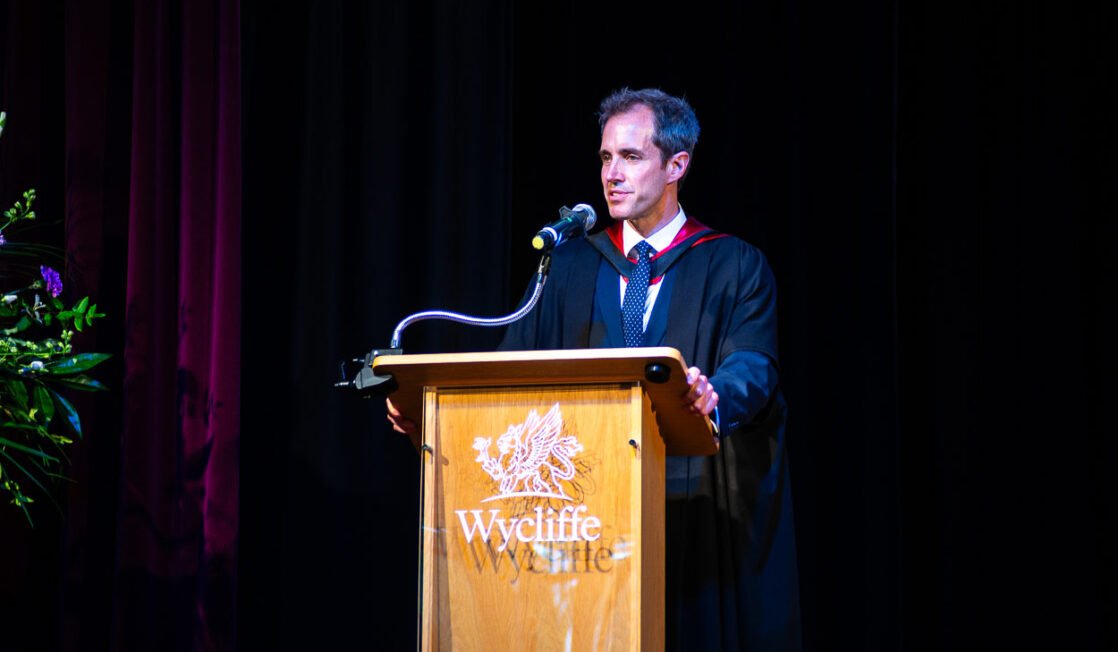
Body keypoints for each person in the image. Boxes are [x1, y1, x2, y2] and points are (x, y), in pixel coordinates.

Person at [388, 87, 801, 651]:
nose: (612, 174)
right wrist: (433, 421)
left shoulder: (732, 263)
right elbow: (509, 374)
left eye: (631, 157)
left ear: (677, 164)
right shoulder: (569, 266)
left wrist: (714, 395)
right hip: (584, 524)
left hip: (690, 512)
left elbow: (754, 364)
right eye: (606, 157)